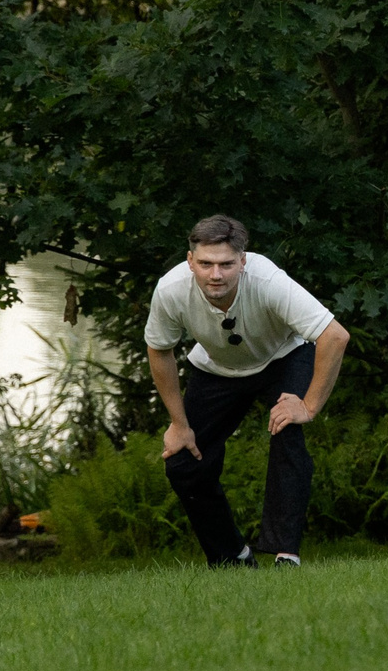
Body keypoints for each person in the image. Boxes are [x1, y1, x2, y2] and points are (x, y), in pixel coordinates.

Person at [144, 214, 351, 567]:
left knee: (287, 428)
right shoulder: (170, 289)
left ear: (242, 261)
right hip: (217, 368)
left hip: (283, 356)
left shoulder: (268, 280)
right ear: (190, 260)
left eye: (226, 264)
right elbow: (159, 348)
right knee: (182, 462)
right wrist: (179, 424)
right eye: (206, 264)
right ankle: (233, 557)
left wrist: (309, 405)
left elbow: (335, 335)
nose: (216, 274)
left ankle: (286, 555)